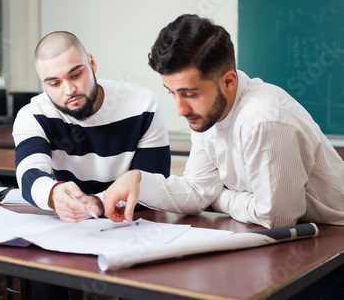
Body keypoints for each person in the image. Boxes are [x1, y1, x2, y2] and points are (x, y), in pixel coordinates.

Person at [103, 14, 344, 230]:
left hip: (334, 241)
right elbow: (198, 192)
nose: (180, 109)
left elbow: (276, 218)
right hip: (308, 235)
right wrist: (138, 180)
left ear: (228, 81)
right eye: (172, 92)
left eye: (190, 93)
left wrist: (218, 198)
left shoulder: (263, 120)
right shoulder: (207, 114)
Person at [13, 31, 171, 222]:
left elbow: (153, 184)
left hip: (134, 223)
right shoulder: (33, 115)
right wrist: (53, 194)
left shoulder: (144, 105)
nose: (69, 90)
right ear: (44, 84)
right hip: (74, 230)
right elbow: (29, 175)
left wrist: (98, 203)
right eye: (54, 83)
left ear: (92, 63)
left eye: (76, 74)